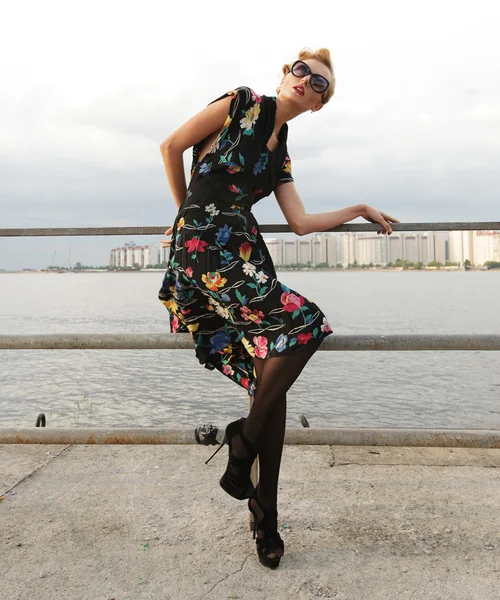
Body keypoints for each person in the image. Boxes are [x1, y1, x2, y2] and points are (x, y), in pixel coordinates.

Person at [158, 47, 399, 569]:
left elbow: (301, 223)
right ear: (285, 74)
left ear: (318, 105)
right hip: (204, 250)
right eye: (301, 71)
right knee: (304, 322)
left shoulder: (281, 152)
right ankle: (242, 449)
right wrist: (185, 218)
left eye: (318, 84)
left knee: (273, 377)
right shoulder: (241, 103)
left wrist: (358, 208)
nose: (305, 82)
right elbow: (172, 145)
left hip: (245, 255)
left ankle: (263, 511)